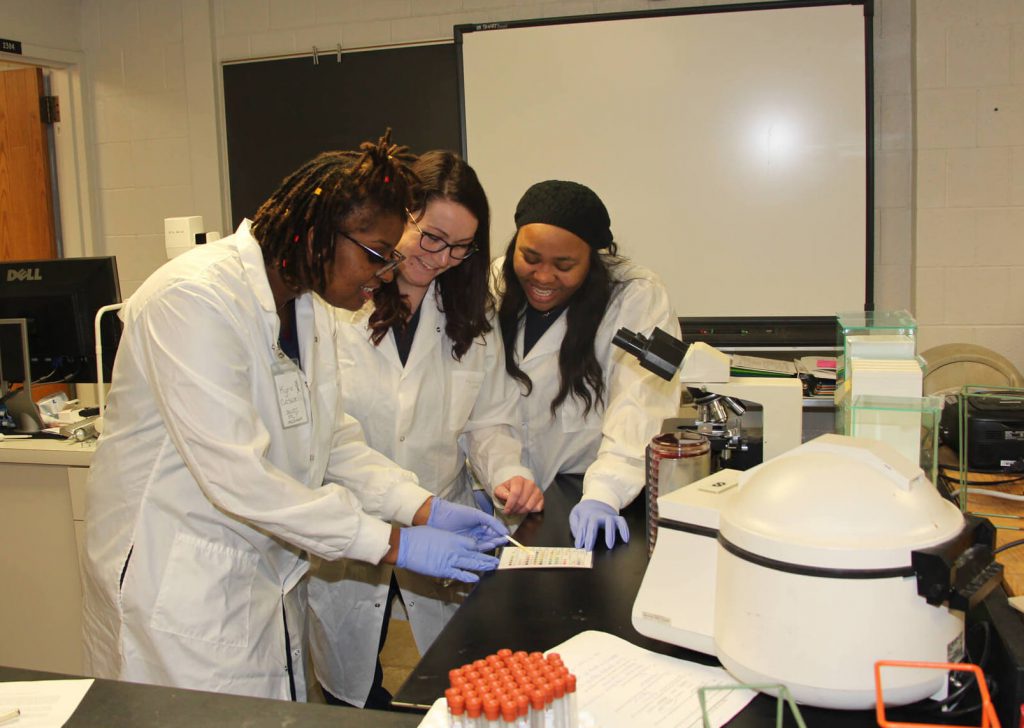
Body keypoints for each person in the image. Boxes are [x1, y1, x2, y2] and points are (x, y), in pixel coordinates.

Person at [80, 133, 510, 702]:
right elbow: (239, 478)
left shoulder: (308, 304)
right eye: (379, 255)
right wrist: (392, 544)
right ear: (317, 232)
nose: (387, 274)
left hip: (260, 579)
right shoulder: (194, 300)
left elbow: (331, 441)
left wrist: (424, 509)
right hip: (177, 582)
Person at [308, 150, 542, 708]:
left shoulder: (468, 313)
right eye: (432, 238)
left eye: (461, 248)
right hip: (349, 526)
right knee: (354, 693)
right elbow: (326, 438)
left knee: (457, 685)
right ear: (399, 216)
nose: (442, 259)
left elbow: (486, 420)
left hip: (443, 519)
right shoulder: (335, 307)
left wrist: (507, 473)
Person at [494, 180, 682, 551]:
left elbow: (642, 402)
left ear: (594, 258)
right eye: (530, 258)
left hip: (584, 493)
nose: (544, 277)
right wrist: (499, 471)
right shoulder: (494, 282)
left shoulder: (638, 295)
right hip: (503, 492)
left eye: (564, 265)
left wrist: (605, 492)